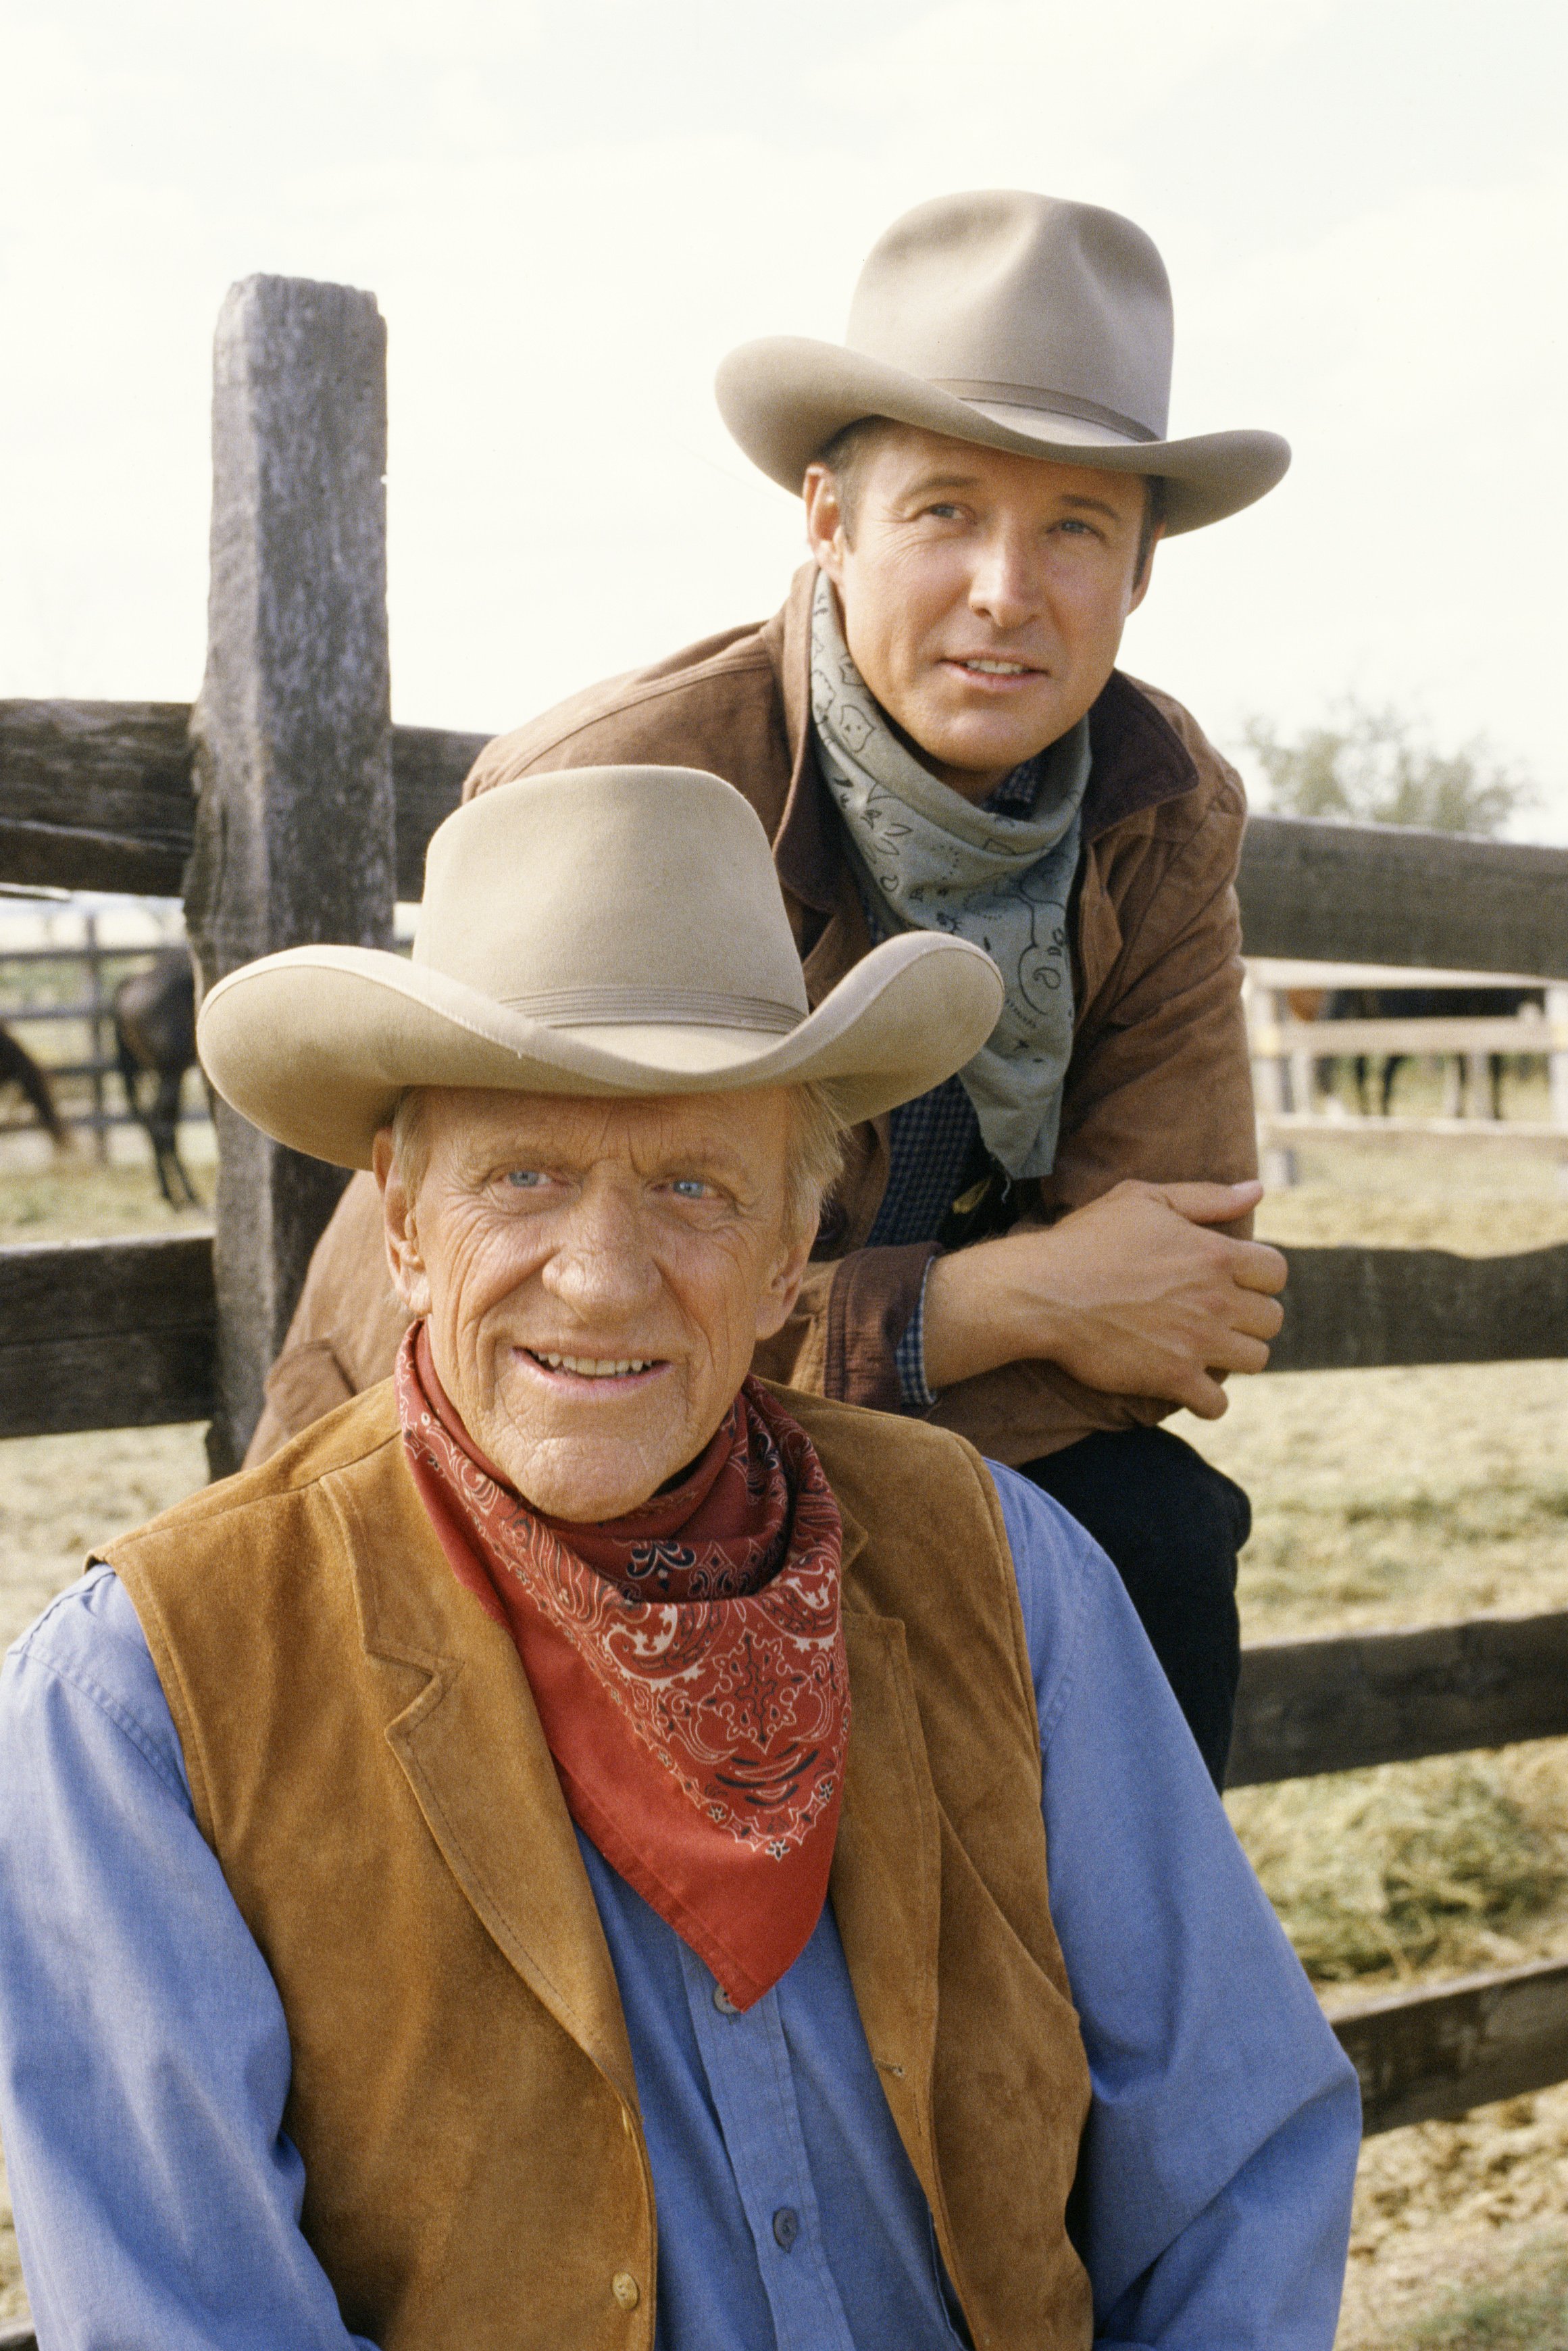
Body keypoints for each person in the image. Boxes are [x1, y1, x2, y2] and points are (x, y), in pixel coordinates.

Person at [0, 768, 1357, 2348]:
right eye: (523, 1177)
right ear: (402, 1227)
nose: (600, 1278)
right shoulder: (145, 1701)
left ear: (795, 1251)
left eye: (693, 1188)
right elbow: (195, 2320)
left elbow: (1235, 2167)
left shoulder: (1004, 1573)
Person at [247, 190, 1291, 1786]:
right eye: (945, 510)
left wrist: (927, 1351)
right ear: (827, 520)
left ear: (1142, 569)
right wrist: (995, 1302)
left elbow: (1178, 1305)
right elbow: (571, 1309)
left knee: (1147, 1538)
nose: (1009, 587)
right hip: (551, 1420)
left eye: (1077, 525)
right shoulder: (637, 779)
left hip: (853, 1408)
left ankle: (1107, 2025)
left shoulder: (1158, 802)